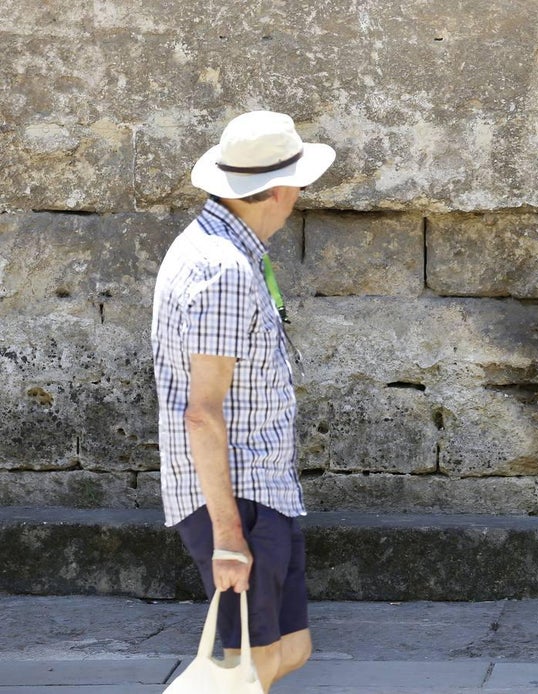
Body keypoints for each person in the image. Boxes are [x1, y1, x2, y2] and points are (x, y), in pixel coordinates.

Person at [151, 110, 335, 691]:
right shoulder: (223, 268)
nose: (300, 195)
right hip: (240, 496)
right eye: (299, 184)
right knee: (248, 666)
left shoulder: (217, 248)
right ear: (279, 190)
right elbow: (201, 410)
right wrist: (229, 538)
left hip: (262, 488)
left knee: (289, 650)